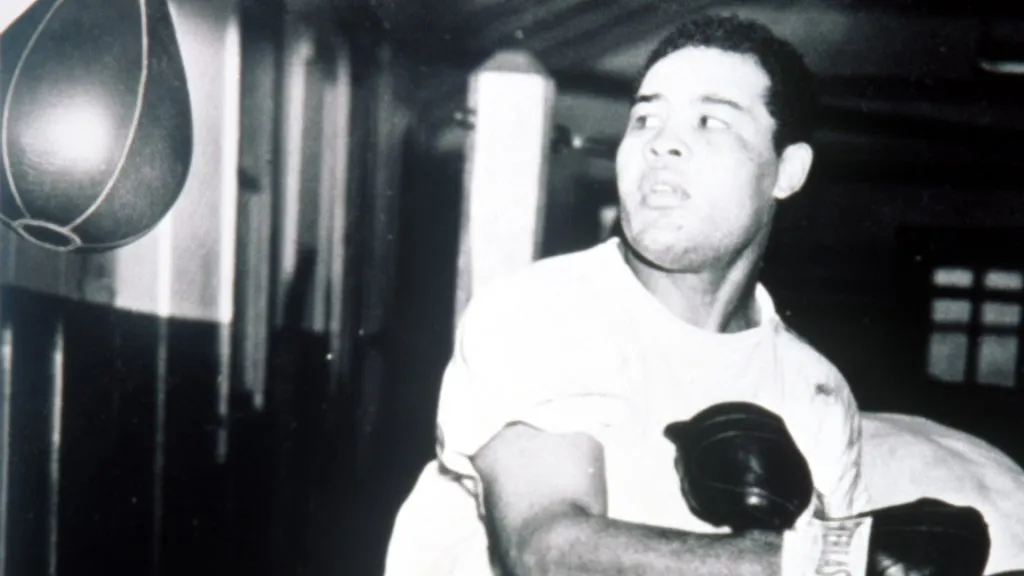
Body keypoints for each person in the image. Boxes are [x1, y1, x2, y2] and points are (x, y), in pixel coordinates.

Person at [385, 13, 869, 575]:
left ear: (787, 171)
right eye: (645, 118)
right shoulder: (544, 312)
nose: (662, 142)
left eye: (710, 121)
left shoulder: (818, 394)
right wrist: (802, 563)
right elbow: (546, 554)